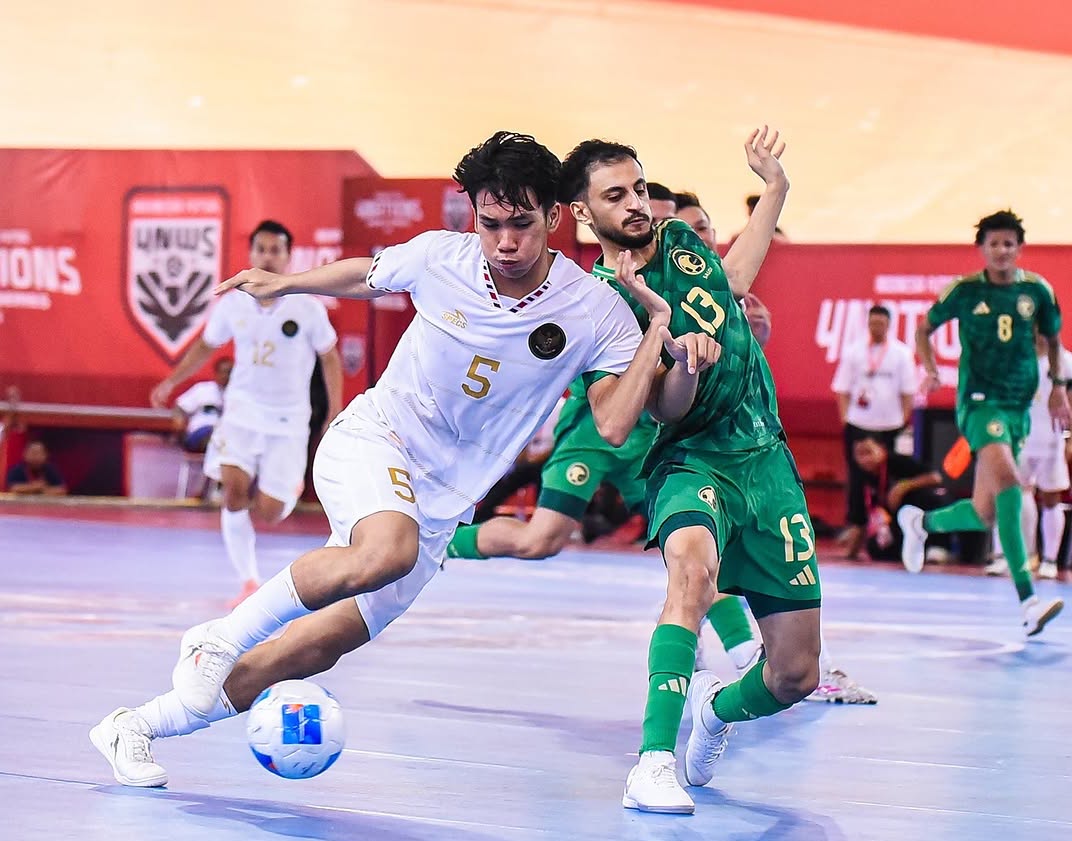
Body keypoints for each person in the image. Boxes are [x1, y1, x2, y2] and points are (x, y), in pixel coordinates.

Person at [90, 131, 721, 790]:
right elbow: (365, 273)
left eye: (522, 224)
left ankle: (139, 724)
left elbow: (618, 423)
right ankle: (215, 637)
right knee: (384, 549)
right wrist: (285, 282)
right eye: (491, 224)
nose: (506, 242)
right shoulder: (438, 258)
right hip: (377, 439)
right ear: (474, 218)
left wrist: (658, 335)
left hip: (444, 503)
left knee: (320, 645)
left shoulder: (593, 309)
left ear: (555, 218)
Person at [561, 128, 828, 815]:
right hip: (691, 459)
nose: (637, 203)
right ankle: (651, 761)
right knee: (691, 575)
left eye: (640, 187)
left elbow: (733, 279)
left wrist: (776, 188)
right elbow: (664, 411)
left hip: (767, 458)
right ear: (584, 213)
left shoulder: (680, 238)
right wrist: (681, 359)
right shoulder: (601, 301)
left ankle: (716, 711)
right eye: (615, 195)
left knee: (796, 673)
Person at [150, 221, 343, 606]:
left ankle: (280, 491)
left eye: (276, 250)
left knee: (271, 512)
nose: (268, 256)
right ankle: (249, 582)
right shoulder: (233, 302)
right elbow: (206, 347)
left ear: (288, 256)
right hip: (241, 414)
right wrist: (171, 383)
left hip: (288, 421)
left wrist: (334, 410)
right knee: (233, 492)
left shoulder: (307, 305)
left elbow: (330, 358)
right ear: (251, 253)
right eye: (261, 249)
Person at [900, 209, 1067, 636]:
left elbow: (1052, 340)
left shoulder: (1037, 291)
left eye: (1009, 243)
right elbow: (924, 329)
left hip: (1017, 409)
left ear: (1019, 248)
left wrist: (1058, 386)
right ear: (982, 249)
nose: (1001, 250)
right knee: (1013, 486)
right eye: (994, 243)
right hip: (979, 404)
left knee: (985, 512)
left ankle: (921, 522)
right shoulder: (964, 291)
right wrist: (932, 367)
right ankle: (1028, 598)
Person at [831, 304, 918, 558]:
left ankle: (888, 533)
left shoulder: (901, 354)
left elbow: (908, 393)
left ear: (888, 325)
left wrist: (901, 421)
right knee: (857, 481)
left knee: (888, 480)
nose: (876, 328)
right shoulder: (854, 352)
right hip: (859, 425)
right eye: (872, 323)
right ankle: (856, 530)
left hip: (889, 427)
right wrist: (847, 420)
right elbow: (842, 388)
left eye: (880, 324)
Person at [987, 331, 1072, 580]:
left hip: (1052, 439)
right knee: (1009, 494)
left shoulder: (1065, 361)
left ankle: (1049, 560)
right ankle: (1005, 556)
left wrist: (1069, 438)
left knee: (1051, 499)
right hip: (1018, 437)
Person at [851, 436, 950, 561]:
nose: (864, 459)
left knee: (932, 497)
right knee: (875, 547)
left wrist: (903, 487)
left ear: (882, 450)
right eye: (859, 454)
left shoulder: (897, 461)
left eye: (868, 452)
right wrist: (850, 554)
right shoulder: (860, 478)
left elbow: (935, 478)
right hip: (896, 521)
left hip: (919, 511)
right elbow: (859, 521)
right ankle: (911, 553)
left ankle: (938, 546)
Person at [171, 357, 233, 453]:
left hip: (228, 433)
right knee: (214, 437)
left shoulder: (240, 395)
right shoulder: (203, 389)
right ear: (216, 373)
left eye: (230, 373)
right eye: (224, 372)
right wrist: (179, 428)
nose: (227, 376)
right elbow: (179, 408)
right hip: (202, 431)